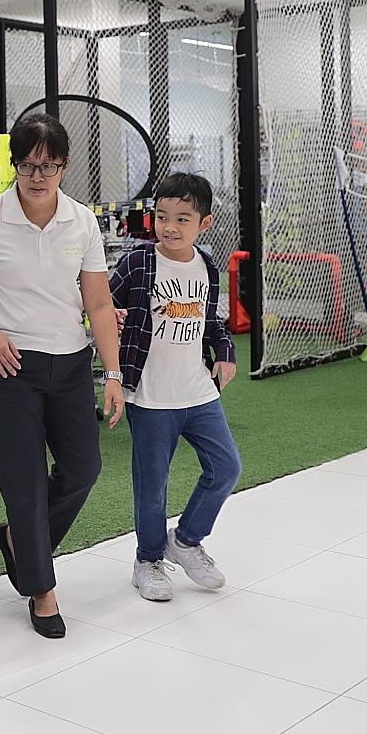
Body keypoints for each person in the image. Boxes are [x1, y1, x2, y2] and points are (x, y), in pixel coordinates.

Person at [0, 113, 124, 639]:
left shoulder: (82, 221)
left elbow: (97, 299)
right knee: (23, 484)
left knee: (83, 468)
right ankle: (42, 592)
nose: (38, 175)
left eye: (49, 165)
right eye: (28, 164)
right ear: (16, 165)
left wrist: (111, 374)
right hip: (6, 366)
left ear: (64, 166)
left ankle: (21, 541)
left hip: (68, 364)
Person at [109, 172, 242, 602]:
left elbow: (212, 321)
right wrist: (109, 316)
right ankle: (147, 560)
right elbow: (100, 299)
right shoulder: (138, 262)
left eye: (183, 219)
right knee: (153, 485)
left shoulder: (206, 265)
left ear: (203, 224)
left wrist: (225, 351)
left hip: (199, 392)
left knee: (226, 467)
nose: (170, 227)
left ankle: (184, 542)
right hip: (149, 396)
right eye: (162, 216)